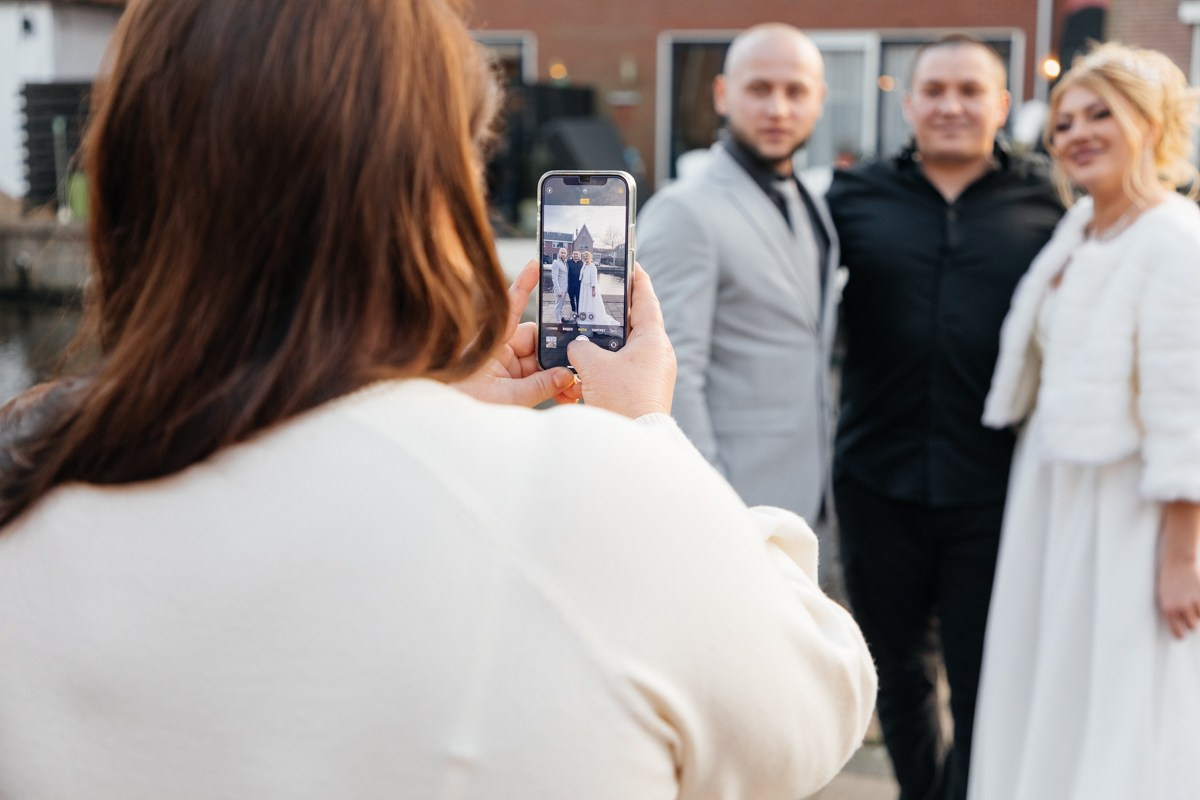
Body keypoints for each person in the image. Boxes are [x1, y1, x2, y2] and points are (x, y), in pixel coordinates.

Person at [0, 1, 876, 798]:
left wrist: (430, 416)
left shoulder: (36, 489)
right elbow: (822, 692)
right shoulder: (602, 493)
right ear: (436, 184)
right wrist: (643, 433)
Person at [825, 34, 1064, 800]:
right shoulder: (851, 199)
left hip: (994, 487)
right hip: (875, 477)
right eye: (936, 91)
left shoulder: (1052, 202)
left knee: (984, 677)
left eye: (971, 91)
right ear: (910, 101)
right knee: (892, 674)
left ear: (1001, 103)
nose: (953, 105)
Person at [970, 43, 1200, 800]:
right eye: (1065, 121)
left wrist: (1180, 555)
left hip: (1128, 506)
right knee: (1052, 679)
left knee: (1124, 689)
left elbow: (1184, 403)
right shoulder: (1078, 229)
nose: (1078, 133)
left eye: (1102, 113)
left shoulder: (1172, 237)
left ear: (1151, 123)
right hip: (1053, 483)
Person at [636, 23, 837, 520]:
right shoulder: (685, 211)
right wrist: (709, 503)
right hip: (729, 501)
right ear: (723, 94)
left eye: (796, 91)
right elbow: (671, 373)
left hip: (807, 492)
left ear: (820, 99)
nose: (778, 108)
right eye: (759, 88)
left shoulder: (812, 200)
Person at [576, 250, 617, 326]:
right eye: (584, 256)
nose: (585, 258)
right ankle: (584, 316)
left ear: (590, 257)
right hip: (584, 287)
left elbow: (594, 279)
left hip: (589, 287)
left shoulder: (592, 266)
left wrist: (593, 290)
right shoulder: (584, 265)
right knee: (585, 302)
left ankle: (592, 319)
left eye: (587, 256)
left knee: (590, 303)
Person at [550, 246, 569, 323]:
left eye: (564, 253)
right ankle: (558, 322)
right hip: (560, 290)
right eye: (562, 252)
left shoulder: (565, 263)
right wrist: (558, 290)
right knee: (558, 306)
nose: (563, 254)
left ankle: (561, 317)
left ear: (566, 254)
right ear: (559, 253)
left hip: (565, 288)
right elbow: (554, 278)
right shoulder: (556, 263)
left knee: (562, 305)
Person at [567, 249, 584, 319]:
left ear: (579, 255)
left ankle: (578, 312)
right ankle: (573, 311)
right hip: (570, 285)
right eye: (574, 254)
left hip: (579, 285)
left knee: (578, 299)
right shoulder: (568, 262)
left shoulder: (581, 263)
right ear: (572, 255)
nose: (576, 255)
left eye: (577, 254)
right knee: (571, 299)